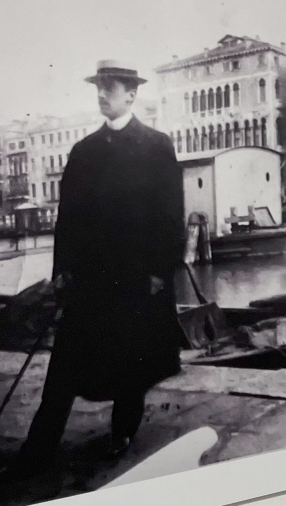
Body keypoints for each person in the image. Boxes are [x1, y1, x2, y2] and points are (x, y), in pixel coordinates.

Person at [15, 60, 186, 470]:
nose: (101, 94)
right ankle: (38, 448)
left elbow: (170, 214)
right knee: (64, 365)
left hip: (135, 277)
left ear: (132, 94)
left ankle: (123, 431)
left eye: (110, 87)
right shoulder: (84, 151)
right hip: (89, 278)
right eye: (99, 87)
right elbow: (68, 217)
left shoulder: (156, 145)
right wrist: (63, 269)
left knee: (132, 359)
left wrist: (160, 272)